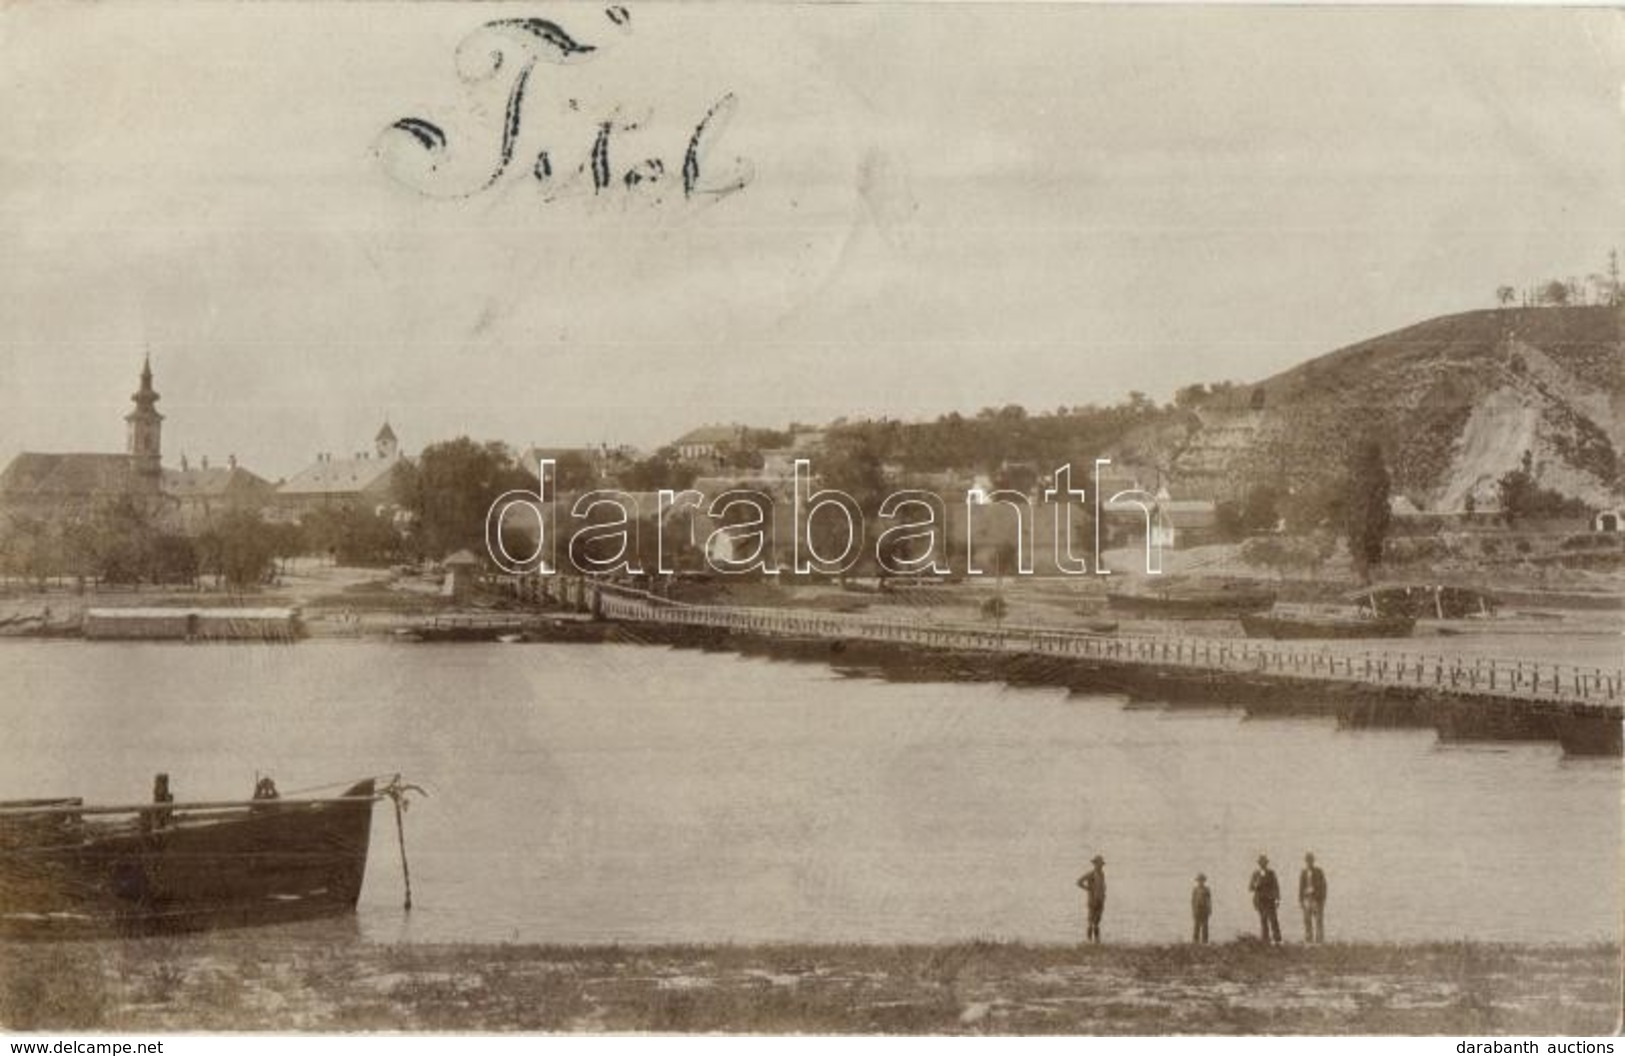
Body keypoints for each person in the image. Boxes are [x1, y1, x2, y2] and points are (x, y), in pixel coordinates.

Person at [1249, 854, 1282, 944]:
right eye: (1261, 862)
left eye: (1264, 862)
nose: (1262, 864)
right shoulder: (1255, 874)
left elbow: (1276, 886)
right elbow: (1250, 887)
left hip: (1270, 900)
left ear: (1266, 863)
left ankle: (1277, 939)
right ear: (1259, 864)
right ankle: (1265, 939)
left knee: (1273, 919)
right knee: (1263, 920)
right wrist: (1256, 885)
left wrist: (1277, 899)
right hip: (1260, 900)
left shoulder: (1271, 873)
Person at [1076, 854, 1107, 943]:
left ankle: (1097, 941)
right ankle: (1089, 941)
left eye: (1101, 864)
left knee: (1097, 922)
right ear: (1095, 864)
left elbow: (1102, 887)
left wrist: (1103, 896)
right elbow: (1079, 882)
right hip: (1092, 901)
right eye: (1098, 863)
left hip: (1100, 901)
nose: (1100, 865)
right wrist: (1088, 889)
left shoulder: (1102, 874)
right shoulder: (1091, 874)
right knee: (1090, 921)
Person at [1299, 852, 1328, 943]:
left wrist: (1322, 899)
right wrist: (1301, 900)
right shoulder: (1303, 873)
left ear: (1313, 861)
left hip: (1316, 899)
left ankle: (1319, 940)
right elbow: (1301, 886)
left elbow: (1324, 885)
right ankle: (1309, 940)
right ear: (1306, 862)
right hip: (1307, 898)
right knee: (1307, 920)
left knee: (1318, 920)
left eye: (1310, 860)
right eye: (1307, 861)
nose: (1309, 863)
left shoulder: (1319, 872)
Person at [1191, 873, 1212, 944]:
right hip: (1197, 910)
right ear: (1197, 881)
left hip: (1204, 910)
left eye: (1202, 880)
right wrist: (1193, 911)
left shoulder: (1207, 889)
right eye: (1199, 880)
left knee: (1205, 926)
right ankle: (1195, 941)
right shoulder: (1195, 890)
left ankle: (1205, 941)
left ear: (1204, 881)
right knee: (1196, 926)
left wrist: (1209, 910)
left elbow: (1209, 900)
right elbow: (1193, 901)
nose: (1201, 882)